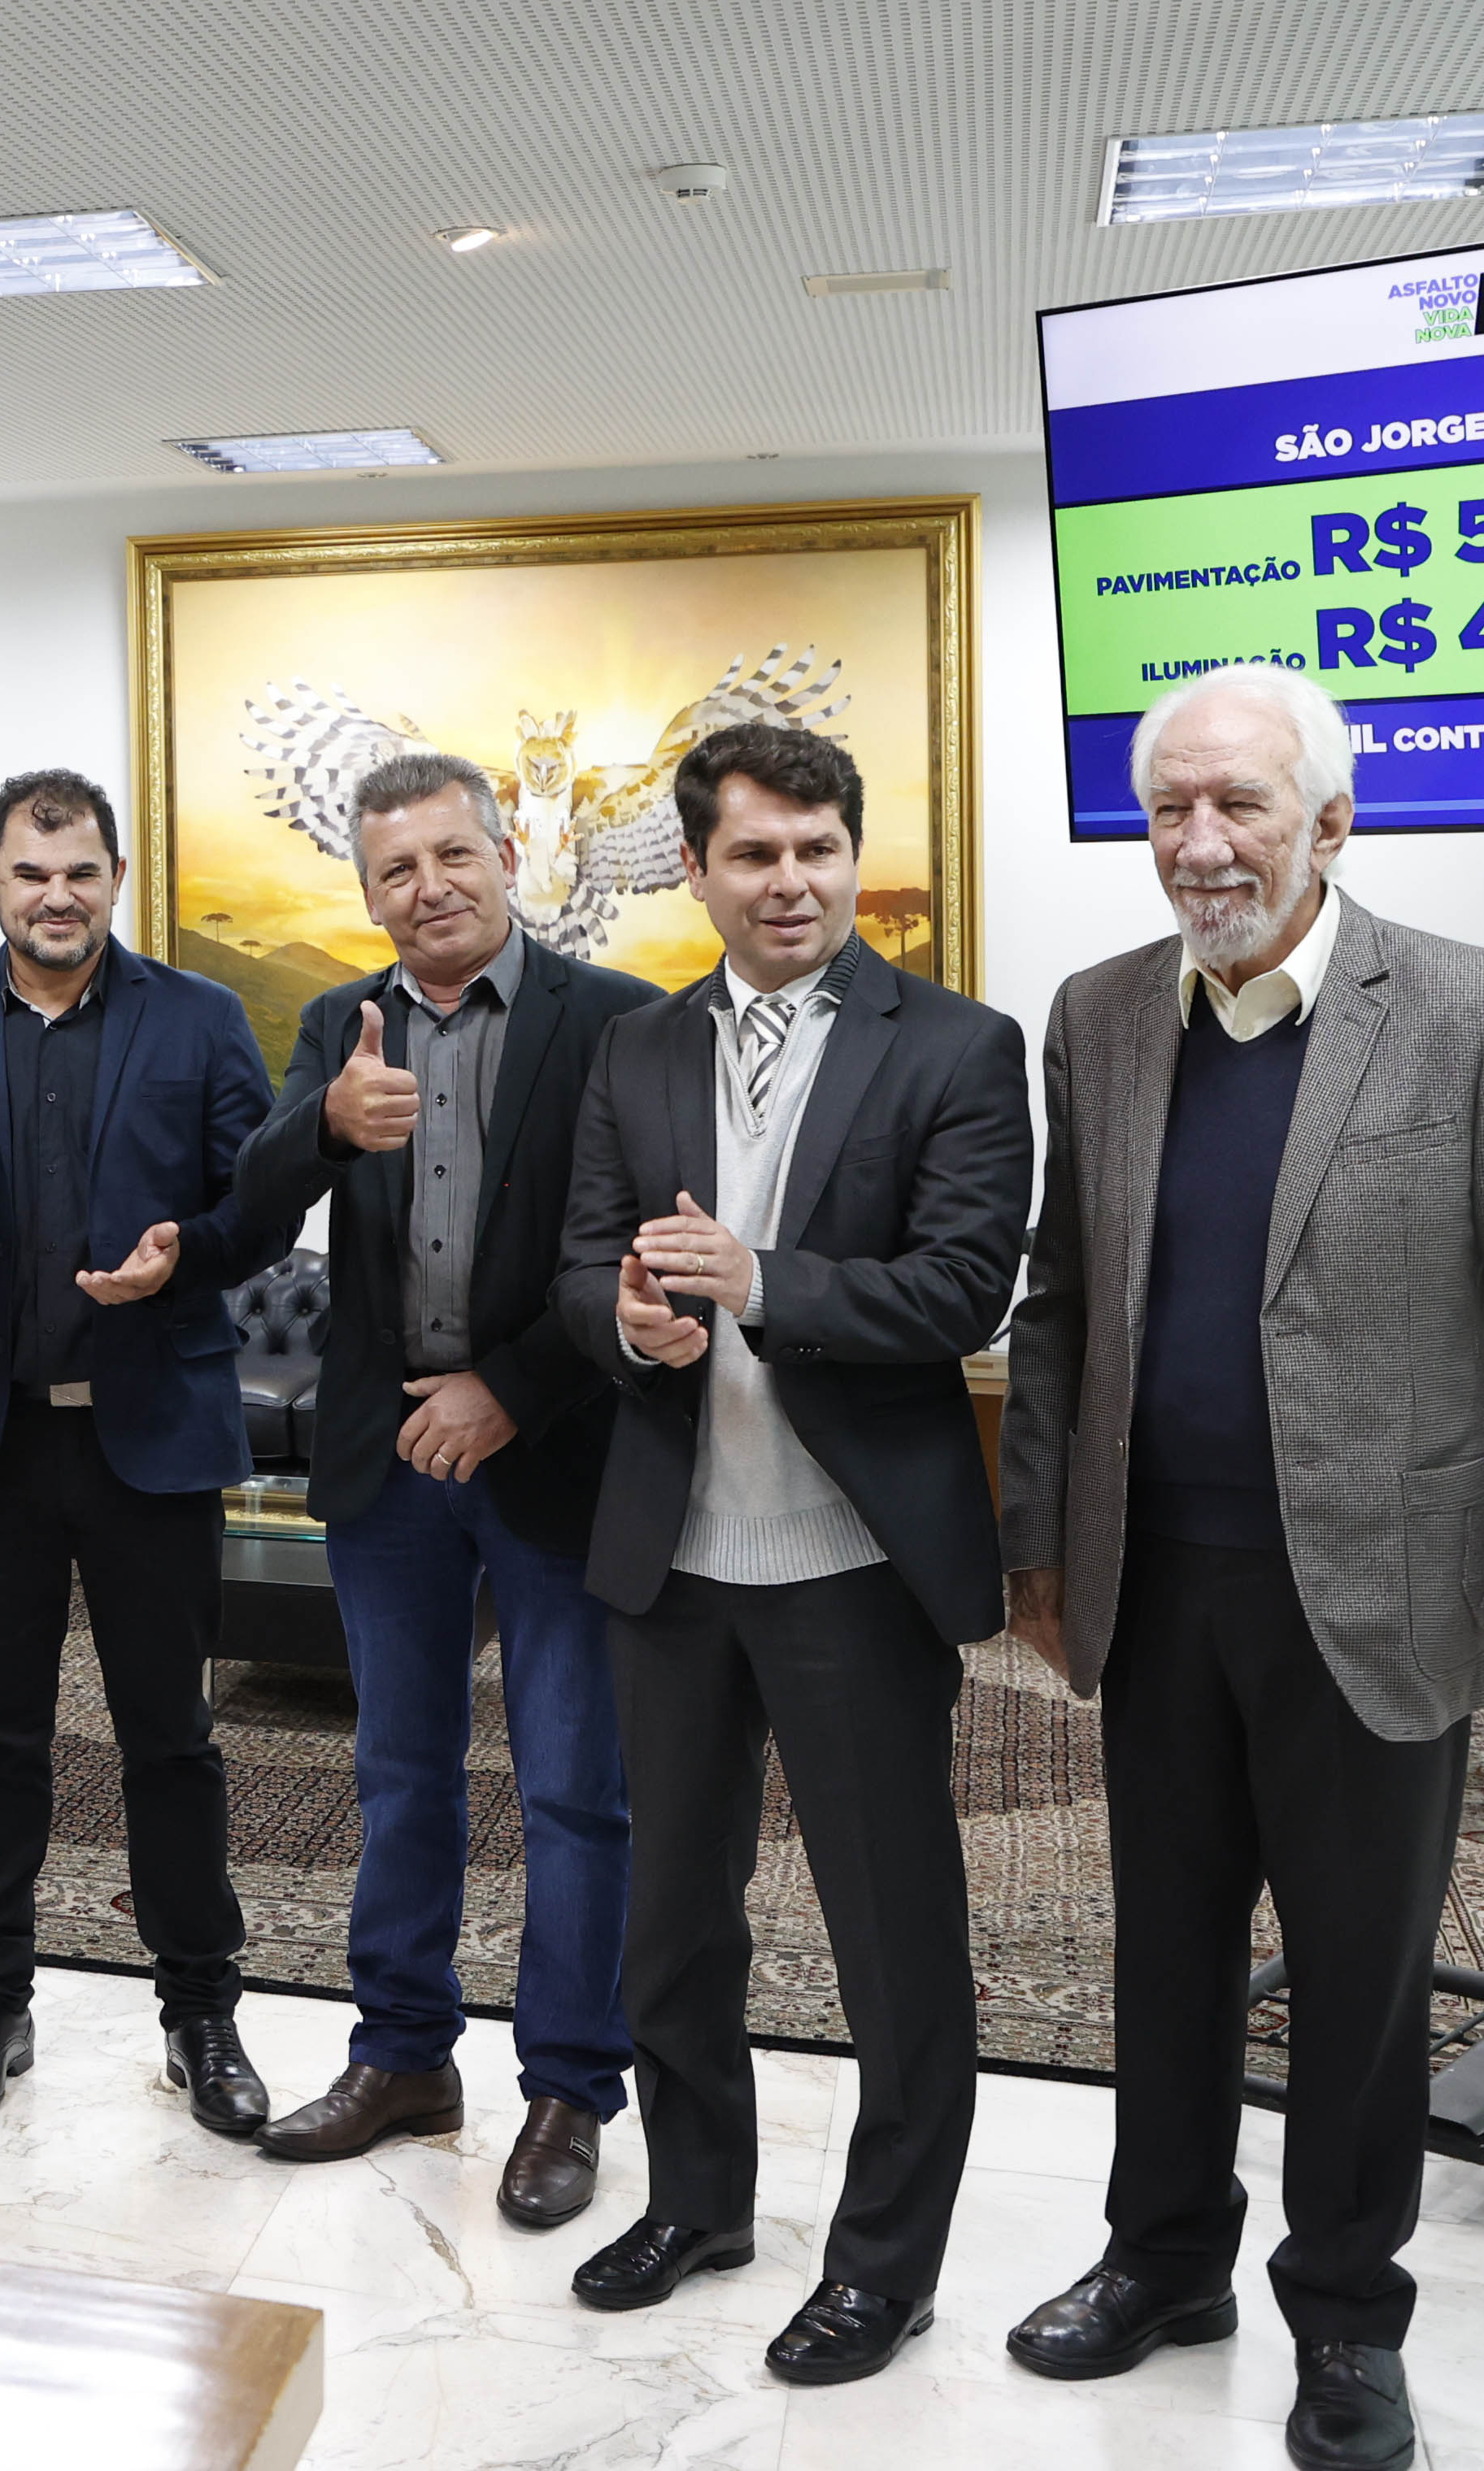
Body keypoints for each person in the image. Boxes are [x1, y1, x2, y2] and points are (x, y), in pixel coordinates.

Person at [994, 662, 1484, 2471]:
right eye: (1172, 808)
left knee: (1359, 1977)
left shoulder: (1471, 1010)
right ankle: (1162, 2259)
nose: (1201, 842)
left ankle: (1348, 2317)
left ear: (1330, 823)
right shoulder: (1099, 1015)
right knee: (1166, 1947)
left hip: (1379, 1590)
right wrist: (1037, 1542)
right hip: (1158, 1581)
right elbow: (1060, 1303)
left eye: (1241, 804)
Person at [549, 721, 1030, 2388]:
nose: (791, 881)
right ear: (694, 870)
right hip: (673, 1556)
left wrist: (763, 1285)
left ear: (852, 856)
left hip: (853, 1563)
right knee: (674, 1920)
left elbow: (963, 1289)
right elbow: (579, 1264)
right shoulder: (638, 1047)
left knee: (893, 1938)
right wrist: (623, 1322)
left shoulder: (957, 1046)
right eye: (753, 853)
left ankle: (885, 2266)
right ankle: (699, 2202)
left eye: (819, 849)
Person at [229, 750, 661, 2219]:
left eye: (452, 856)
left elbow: (632, 1255)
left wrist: (510, 1390)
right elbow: (251, 1210)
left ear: (507, 859)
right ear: (369, 895)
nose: (429, 889)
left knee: (574, 1791)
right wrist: (325, 1123)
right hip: (387, 1461)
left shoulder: (616, 1020)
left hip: (557, 1447)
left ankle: (569, 2090)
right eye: (396, 871)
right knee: (399, 1772)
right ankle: (404, 2056)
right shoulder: (336, 1025)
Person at [0, 768, 294, 2130]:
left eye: (82, 871)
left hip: (153, 1441)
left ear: (115, 881)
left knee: (173, 1741)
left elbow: (260, 1210)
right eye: (30, 874)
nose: (57, 896)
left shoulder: (201, 1018)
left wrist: (184, 1255)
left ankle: (201, 2014)